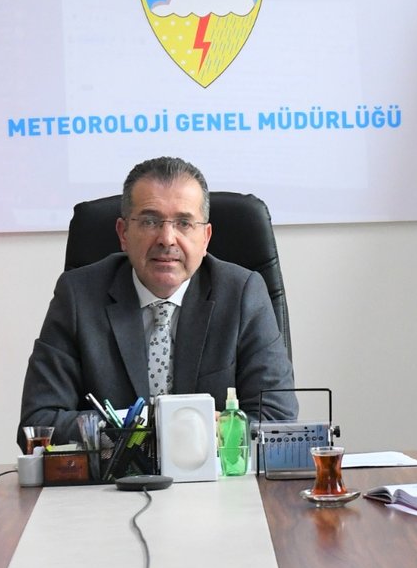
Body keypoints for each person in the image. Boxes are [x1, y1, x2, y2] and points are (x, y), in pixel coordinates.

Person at [18, 156, 294, 446]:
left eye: (184, 223)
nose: (167, 239)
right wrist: (143, 428)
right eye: (150, 221)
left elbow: (278, 420)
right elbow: (38, 424)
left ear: (205, 237)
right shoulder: (78, 295)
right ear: (123, 234)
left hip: (212, 473)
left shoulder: (242, 294)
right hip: (112, 475)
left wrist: (213, 429)